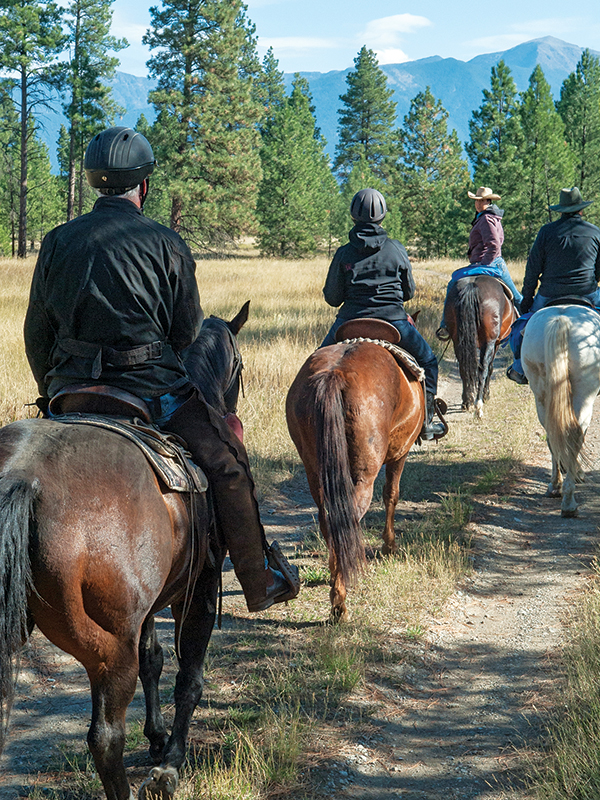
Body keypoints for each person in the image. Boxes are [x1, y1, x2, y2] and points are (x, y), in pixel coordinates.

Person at [23, 126, 298, 613]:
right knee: (227, 463)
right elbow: (187, 332)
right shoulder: (166, 243)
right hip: (149, 391)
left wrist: (53, 389)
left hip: (71, 391)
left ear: (93, 182)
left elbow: (36, 333)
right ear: (143, 187)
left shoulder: (56, 241)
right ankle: (260, 579)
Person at [321, 188, 446, 440]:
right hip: (393, 323)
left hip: (349, 322)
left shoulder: (343, 253)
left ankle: (313, 423)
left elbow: (333, 299)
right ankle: (427, 422)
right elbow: (408, 292)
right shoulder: (396, 249)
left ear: (353, 216)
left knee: (316, 365)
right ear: (383, 216)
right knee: (429, 362)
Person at [507, 187, 600, 384]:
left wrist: (527, 299)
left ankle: (519, 367)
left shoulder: (546, 232)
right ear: (581, 210)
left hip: (549, 295)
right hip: (587, 293)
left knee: (520, 328)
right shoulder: (594, 232)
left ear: (561, 210)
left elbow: (532, 270)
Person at [436, 186, 522, 340]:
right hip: (493, 262)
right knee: (517, 298)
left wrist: (484, 264)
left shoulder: (486, 218)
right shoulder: (490, 216)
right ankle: (525, 329)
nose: (477, 203)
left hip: (488, 263)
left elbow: (494, 244)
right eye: (476, 200)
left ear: (488, 201)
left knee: (452, 284)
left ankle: (445, 325)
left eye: (481, 200)